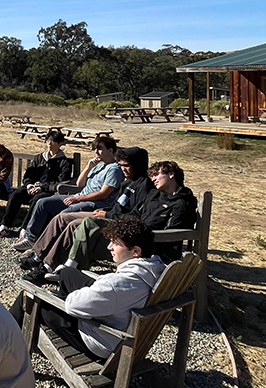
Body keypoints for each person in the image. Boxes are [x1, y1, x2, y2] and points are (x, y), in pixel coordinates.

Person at [11, 217, 166, 359]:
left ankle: (2, 334)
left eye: (116, 243)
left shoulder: (116, 284)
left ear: (135, 251)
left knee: (29, 296)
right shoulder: (155, 270)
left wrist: (70, 296)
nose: (109, 247)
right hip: (119, 321)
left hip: (100, 341)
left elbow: (72, 306)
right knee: (67, 273)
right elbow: (114, 292)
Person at [18, 147, 150, 282]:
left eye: (126, 166)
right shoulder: (127, 183)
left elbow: (136, 215)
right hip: (108, 214)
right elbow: (117, 204)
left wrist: (108, 215)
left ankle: (48, 266)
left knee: (74, 225)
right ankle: (37, 256)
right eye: (121, 165)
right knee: (61, 218)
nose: (123, 169)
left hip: (117, 222)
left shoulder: (146, 187)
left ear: (137, 164)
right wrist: (107, 212)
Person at [65, 160, 197, 272]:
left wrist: (138, 233)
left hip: (148, 247)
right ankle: (69, 268)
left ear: (171, 175)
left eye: (157, 175)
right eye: (152, 176)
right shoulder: (154, 195)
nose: (153, 179)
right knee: (89, 226)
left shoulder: (182, 203)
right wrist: (116, 220)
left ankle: (70, 271)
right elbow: (135, 214)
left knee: (90, 230)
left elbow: (172, 235)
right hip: (134, 235)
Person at [12, 136, 123, 251]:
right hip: (79, 197)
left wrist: (79, 199)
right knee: (43, 203)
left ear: (110, 151)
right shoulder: (98, 165)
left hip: (94, 204)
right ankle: (31, 238)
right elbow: (80, 184)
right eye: (95, 148)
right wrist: (88, 167)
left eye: (100, 148)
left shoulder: (114, 169)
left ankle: (46, 247)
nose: (96, 151)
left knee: (64, 215)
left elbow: (103, 194)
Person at [0, 130, 71, 237]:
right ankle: (5, 225)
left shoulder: (64, 162)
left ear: (60, 143)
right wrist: (29, 184)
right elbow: (28, 175)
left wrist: (42, 187)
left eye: (53, 141)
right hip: (32, 187)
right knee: (16, 194)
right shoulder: (39, 158)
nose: (49, 144)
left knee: (38, 199)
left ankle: (25, 228)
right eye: (48, 140)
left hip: (48, 191)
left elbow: (60, 182)